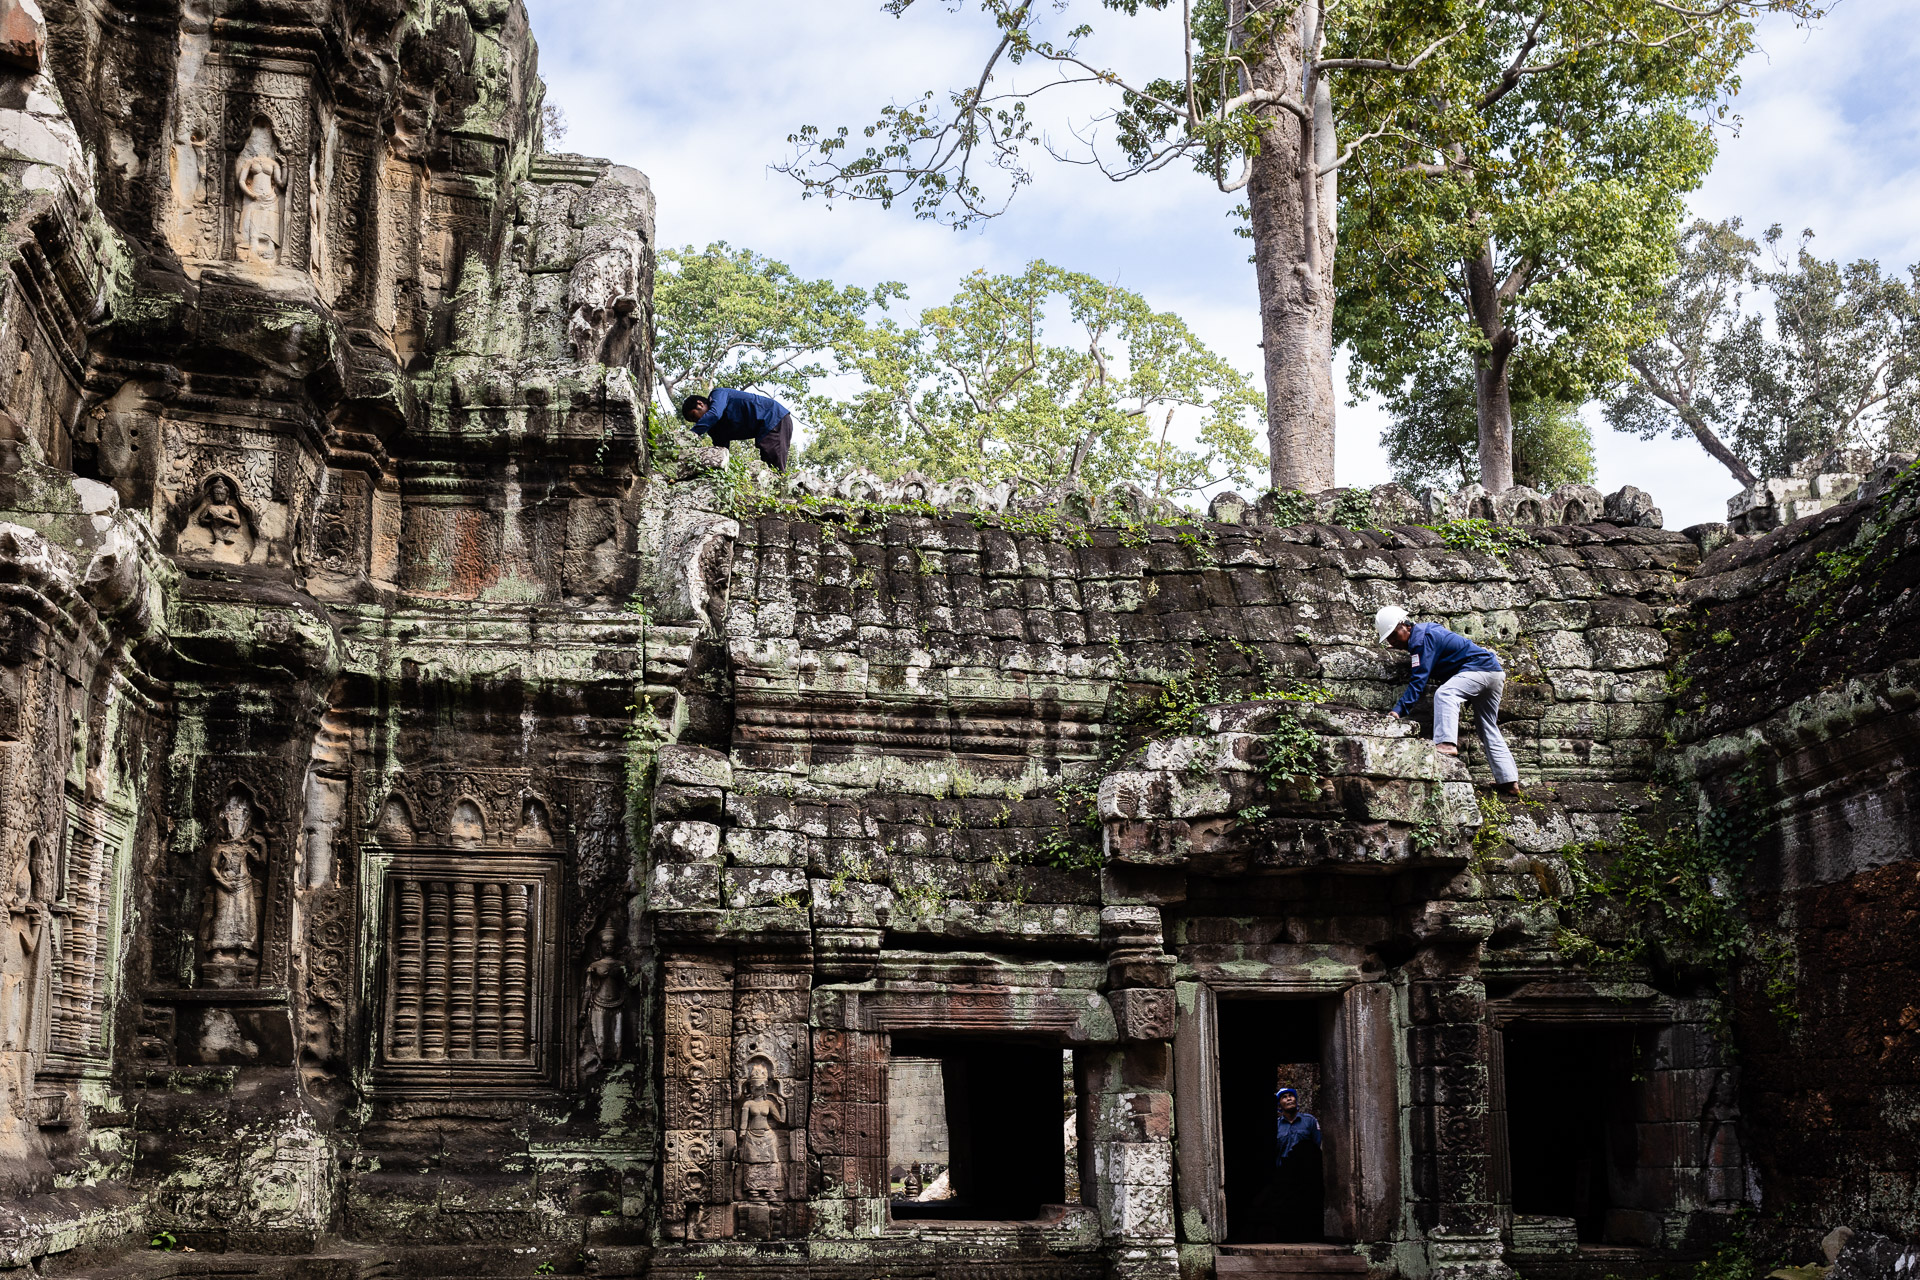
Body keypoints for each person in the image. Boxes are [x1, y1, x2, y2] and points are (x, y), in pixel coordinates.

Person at [1375, 605, 1520, 796]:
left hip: (1478, 670)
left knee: (1445, 694)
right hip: (1493, 672)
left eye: (1394, 635)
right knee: (1487, 726)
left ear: (1405, 626)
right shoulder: (1427, 632)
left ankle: (1446, 743)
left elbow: (1419, 680)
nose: (1393, 642)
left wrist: (1398, 710)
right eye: (1389, 639)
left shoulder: (1421, 640)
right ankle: (1508, 781)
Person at [680, 388, 793, 471]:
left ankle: (782, 496)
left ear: (700, 404)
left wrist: (690, 435)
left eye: (695, 416)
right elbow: (721, 451)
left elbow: (714, 414)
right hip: (764, 429)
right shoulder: (715, 429)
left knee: (775, 464)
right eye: (694, 421)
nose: (698, 421)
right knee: (768, 465)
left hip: (774, 417)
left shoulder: (718, 394)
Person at [1268, 1085, 1324, 1242]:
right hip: (1282, 1175)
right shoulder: (1276, 1125)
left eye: (1291, 1096)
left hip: (1305, 1176)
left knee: (1306, 1208)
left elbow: (1316, 1145)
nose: (1289, 1098)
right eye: (1284, 1097)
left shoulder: (1310, 1122)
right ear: (1280, 1104)